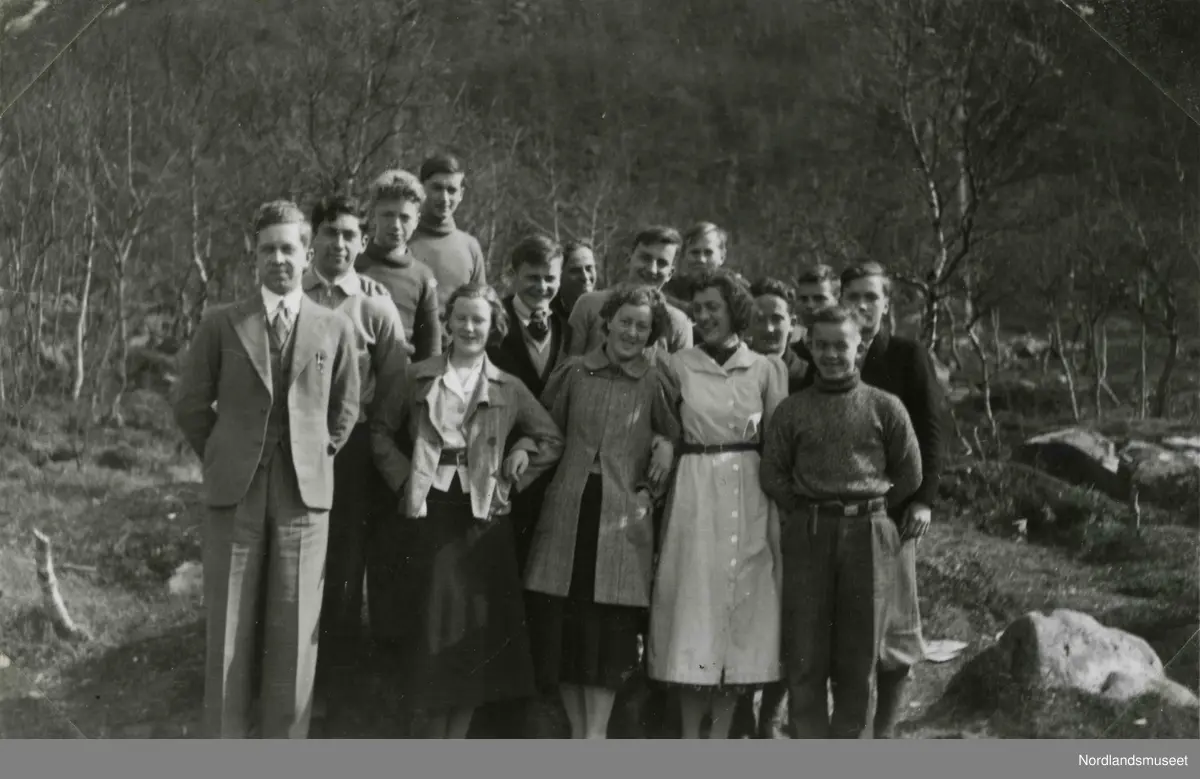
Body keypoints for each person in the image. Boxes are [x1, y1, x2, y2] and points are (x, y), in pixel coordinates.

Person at [172, 200, 361, 738]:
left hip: (305, 496)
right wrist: (222, 452)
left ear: (307, 256)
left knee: (296, 629)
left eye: (289, 248)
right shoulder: (222, 323)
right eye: (267, 249)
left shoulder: (334, 327)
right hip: (235, 491)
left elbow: (346, 407)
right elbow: (189, 404)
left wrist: (317, 451)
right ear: (253, 257)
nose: (278, 259)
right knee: (228, 630)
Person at [370, 282, 565, 739]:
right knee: (433, 633)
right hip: (428, 513)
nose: (469, 327)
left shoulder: (508, 386)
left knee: (472, 640)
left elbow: (552, 439)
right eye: (460, 318)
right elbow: (380, 432)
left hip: (482, 520)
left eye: (479, 319)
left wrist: (520, 458)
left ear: (493, 325)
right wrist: (403, 481)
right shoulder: (418, 375)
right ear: (448, 322)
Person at [525, 283, 682, 739]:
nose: (632, 332)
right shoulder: (573, 372)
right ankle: (581, 736)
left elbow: (677, 436)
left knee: (607, 636)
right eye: (626, 321)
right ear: (607, 322)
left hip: (620, 521)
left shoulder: (655, 380)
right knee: (570, 633)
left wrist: (665, 452)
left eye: (643, 326)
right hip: (568, 517)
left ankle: (596, 737)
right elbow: (544, 430)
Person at [759, 304, 922, 739]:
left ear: (860, 346)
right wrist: (805, 506)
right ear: (809, 346)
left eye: (842, 346)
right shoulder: (793, 410)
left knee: (859, 652)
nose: (832, 354)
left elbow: (910, 472)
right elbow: (772, 471)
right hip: (809, 531)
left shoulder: (884, 406)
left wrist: (872, 509)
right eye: (823, 345)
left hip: (869, 533)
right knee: (806, 652)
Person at [648, 268, 788, 740]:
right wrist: (667, 444)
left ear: (735, 310)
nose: (704, 315)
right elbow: (662, 424)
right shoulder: (677, 364)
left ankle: (724, 735)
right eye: (699, 308)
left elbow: (778, 443)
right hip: (695, 492)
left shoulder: (765, 369)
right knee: (695, 607)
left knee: (743, 610)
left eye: (714, 307)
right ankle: (691, 738)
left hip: (750, 492)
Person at [300, 194, 411, 734]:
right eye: (329, 233)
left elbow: (393, 387)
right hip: (294, 445)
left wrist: (370, 445)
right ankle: (286, 684)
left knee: (342, 573)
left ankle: (334, 696)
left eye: (349, 235)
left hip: (352, 452)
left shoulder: (375, 306)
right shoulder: (289, 292)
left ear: (362, 243)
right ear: (312, 238)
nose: (339, 244)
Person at [837, 261, 945, 739]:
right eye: (852, 296)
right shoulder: (826, 352)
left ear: (886, 304)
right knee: (845, 633)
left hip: (895, 513)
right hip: (835, 515)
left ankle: (883, 737)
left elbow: (931, 433)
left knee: (895, 633)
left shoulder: (907, 356)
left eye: (871, 297)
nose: (861, 305)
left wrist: (923, 500)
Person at [475, 233, 571, 738]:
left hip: (549, 476)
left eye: (550, 279)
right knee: (495, 585)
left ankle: (534, 698)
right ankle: (491, 703)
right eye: (531, 277)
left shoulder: (568, 328)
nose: (541, 288)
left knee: (542, 591)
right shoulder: (492, 325)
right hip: (495, 474)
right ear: (513, 275)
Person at [565, 225, 692, 360]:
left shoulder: (678, 323)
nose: (652, 269)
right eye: (645, 258)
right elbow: (566, 369)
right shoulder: (589, 305)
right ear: (629, 259)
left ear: (670, 274)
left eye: (661, 263)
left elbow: (683, 379)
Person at [355, 168, 442, 361]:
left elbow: (430, 347)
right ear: (373, 216)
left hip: (402, 379)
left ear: (417, 220)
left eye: (404, 217)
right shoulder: (353, 266)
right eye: (387, 215)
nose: (395, 225)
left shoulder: (423, 277)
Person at [408, 153, 487, 298]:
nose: (444, 198)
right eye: (437, 188)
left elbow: (481, 307)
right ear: (421, 188)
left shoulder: (470, 247)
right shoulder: (404, 240)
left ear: (461, 194)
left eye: (451, 190)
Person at [749, 278, 810, 395]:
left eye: (776, 319)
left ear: (792, 323)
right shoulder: (734, 370)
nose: (768, 329)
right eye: (759, 320)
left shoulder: (807, 376)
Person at [660, 221, 729, 312]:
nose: (701, 259)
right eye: (695, 252)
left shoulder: (733, 291)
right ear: (684, 255)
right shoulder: (668, 289)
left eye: (708, 253)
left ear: (722, 257)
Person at [790, 263, 839, 361]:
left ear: (837, 299)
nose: (810, 305)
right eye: (804, 299)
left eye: (819, 299)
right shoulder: (792, 356)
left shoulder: (852, 351)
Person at [552, 238, 597, 322]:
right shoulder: (548, 316)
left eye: (589, 268)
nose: (585, 277)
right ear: (560, 274)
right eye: (575, 271)